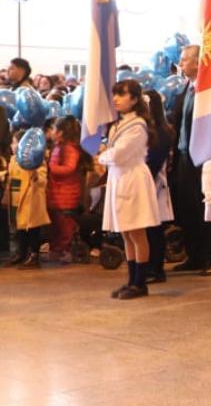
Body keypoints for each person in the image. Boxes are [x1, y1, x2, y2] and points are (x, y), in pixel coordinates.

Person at [98, 80, 161, 299]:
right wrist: (106, 153)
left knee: (136, 231)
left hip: (132, 178)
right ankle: (131, 279)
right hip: (119, 177)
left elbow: (118, 154)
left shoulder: (137, 125)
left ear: (134, 99)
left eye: (121, 94)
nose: (116, 99)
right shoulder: (119, 123)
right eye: (115, 94)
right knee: (126, 232)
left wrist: (103, 156)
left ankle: (140, 282)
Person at [170, 44, 211, 276]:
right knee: (188, 208)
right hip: (184, 155)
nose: (180, 64)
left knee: (206, 207)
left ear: (198, 62)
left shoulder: (209, 91)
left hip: (204, 156)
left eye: (184, 60)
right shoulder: (187, 87)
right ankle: (195, 256)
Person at [5, 130, 49, 269]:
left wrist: (36, 177)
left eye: (14, 142)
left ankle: (34, 255)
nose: (12, 145)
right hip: (15, 199)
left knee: (32, 230)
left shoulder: (36, 161)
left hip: (29, 200)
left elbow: (42, 180)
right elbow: (10, 176)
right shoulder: (13, 160)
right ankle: (21, 254)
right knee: (19, 229)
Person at [143, 91, 174, 284]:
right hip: (147, 182)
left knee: (154, 228)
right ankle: (149, 266)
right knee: (148, 228)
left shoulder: (161, 131)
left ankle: (156, 268)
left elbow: (154, 161)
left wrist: (143, 179)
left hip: (154, 184)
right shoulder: (146, 128)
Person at [46, 116, 84, 264]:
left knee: (64, 226)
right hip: (57, 193)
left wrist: (51, 168)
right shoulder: (59, 147)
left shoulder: (69, 148)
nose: (52, 132)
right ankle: (56, 250)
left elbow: (70, 167)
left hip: (66, 194)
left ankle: (64, 250)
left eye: (54, 129)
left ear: (60, 132)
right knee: (56, 225)